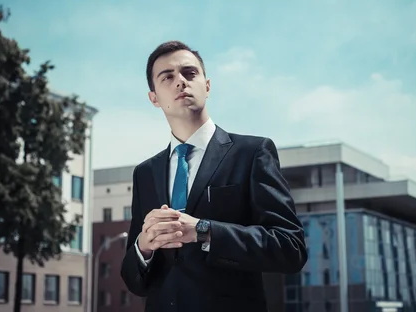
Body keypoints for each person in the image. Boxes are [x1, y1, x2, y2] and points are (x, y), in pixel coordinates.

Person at [120, 41, 308, 312]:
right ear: (154, 98)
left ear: (207, 86)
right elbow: (134, 282)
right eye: (168, 77)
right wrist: (144, 246)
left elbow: (290, 249)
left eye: (189, 73)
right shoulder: (145, 173)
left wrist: (202, 231)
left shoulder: (253, 153)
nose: (180, 82)